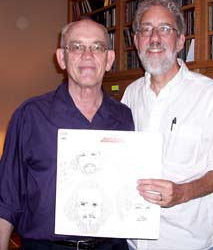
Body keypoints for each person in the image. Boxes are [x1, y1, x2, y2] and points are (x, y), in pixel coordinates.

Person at [0, 18, 134, 250]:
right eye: (77, 46)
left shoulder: (124, 117)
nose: (87, 55)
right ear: (62, 58)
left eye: (97, 47)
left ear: (109, 59)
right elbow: (6, 199)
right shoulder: (30, 115)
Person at [121, 0, 213, 250]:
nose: (155, 38)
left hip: (188, 243)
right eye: (146, 30)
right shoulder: (130, 94)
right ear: (136, 41)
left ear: (180, 40)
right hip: (132, 242)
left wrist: (183, 193)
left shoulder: (212, 95)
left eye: (165, 29)